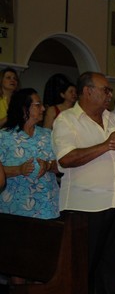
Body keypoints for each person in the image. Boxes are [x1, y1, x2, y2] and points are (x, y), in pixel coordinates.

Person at [52, 71, 115, 294]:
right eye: (105, 89)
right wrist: (106, 145)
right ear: (87, 91)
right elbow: (65, 159)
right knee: (83, 266)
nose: (109, 94)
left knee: (113, 260)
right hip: (83, 205)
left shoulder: (111, 118)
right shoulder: (67, 121)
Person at [0, 88, 59, 219]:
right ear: (24, 108)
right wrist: (19, 169)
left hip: (47, 207)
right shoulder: (4, 137)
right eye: (38, 105)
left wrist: (49, 165)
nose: (43, 109)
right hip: (15, 208)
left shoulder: (48, 135)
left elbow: (61, 165)